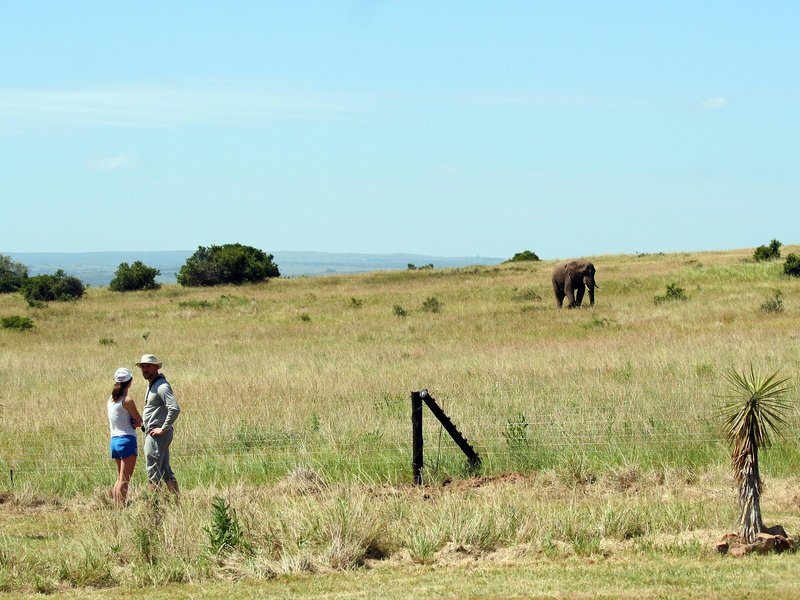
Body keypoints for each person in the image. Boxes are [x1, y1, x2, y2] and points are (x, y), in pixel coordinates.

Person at [136, 354, 181, 494]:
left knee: (152, 472)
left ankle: (154, 506)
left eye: (148, 366)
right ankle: (177, 502)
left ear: (156, 367)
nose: (144, 369)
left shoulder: (161, 386)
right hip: (156, 434)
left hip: (157, 435)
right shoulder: (153, 384)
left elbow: (174, 408)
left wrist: (163, 429)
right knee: (165, 470)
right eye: (142, 366)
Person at [108, 367, 142, 505]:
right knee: (125, 479)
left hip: (114, 441)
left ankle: (117, 506)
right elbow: (140, 421)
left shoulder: (111, 399)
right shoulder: (127, 400)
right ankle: (120, 508)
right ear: (130, 382)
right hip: (127, 440)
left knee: (120, 478)